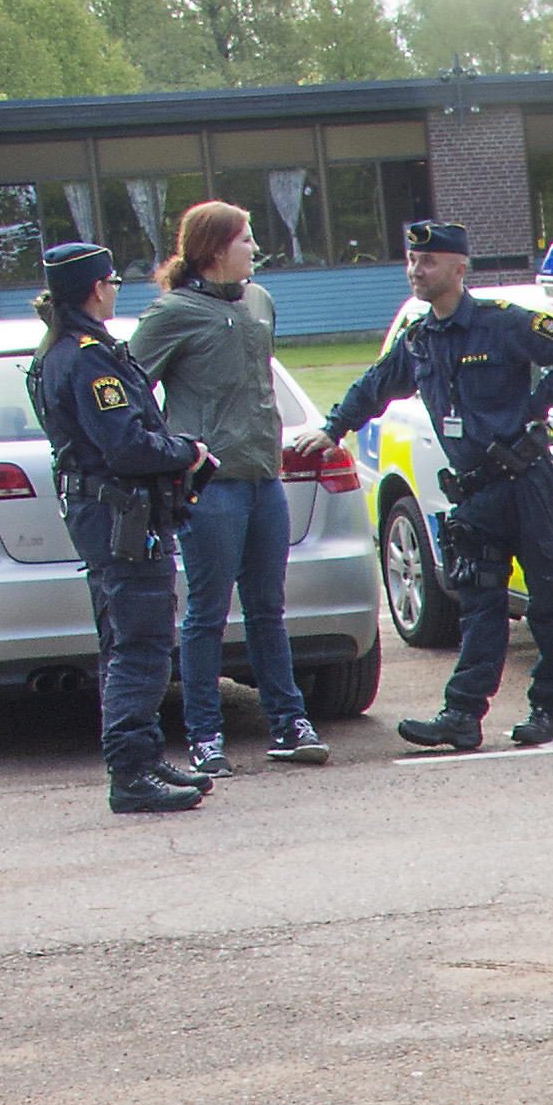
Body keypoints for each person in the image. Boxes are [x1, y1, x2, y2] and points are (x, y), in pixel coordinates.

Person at [317, 220, 553, 753]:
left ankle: (547, 710)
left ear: (459, 267)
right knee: (479, 607)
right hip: (476, 495)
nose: (415, 272)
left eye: (427, 262)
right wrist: (331, 428)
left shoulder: (502, 324)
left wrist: (539, 406)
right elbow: (374, 386)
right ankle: (462, 716)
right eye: (410, 261)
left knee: (549, 604)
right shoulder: (421, 340)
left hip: (529, 484)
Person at [128, 200, 326, 775]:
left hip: (265, 480)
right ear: (214, 251)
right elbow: (130, 389)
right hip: (212, 488)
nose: (255, 249)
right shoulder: (172, 313)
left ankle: (290, 723)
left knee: (268, 609)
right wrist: (170, 453)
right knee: (207, 613)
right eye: (245, 239)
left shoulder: (260, 301)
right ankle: (204, 736)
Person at [26, 243, 212, 816]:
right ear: (93, 288)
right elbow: (126, 445)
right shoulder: (84, 358)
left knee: (125, 638)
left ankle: (141, 755)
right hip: (120, 516)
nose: (115, 288)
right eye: (111, 280)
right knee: (140, 641)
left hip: (111, 513)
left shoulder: (75, 350)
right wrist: (187, 451)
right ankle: (130, 772)